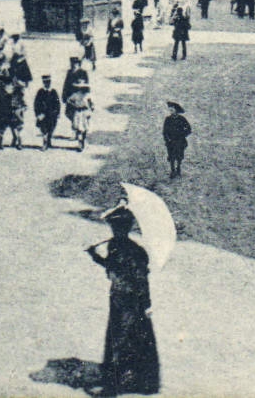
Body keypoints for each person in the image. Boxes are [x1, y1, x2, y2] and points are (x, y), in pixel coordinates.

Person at [87, 204, 161, 395]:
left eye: (118, 227)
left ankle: (113, 388)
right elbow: (111, 268)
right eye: (113, 227)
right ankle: (119, 380)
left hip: (131, 301)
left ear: (126, 228)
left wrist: (146, 304)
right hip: (117, 298)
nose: (115, 231)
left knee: (123, 339)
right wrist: (95, 257)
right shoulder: (114, 246)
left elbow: (141, 280)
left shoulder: (136, 251)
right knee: (118, 337)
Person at [163, 101, 192, 178]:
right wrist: (167, 139)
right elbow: (164, 131)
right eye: (170, 110)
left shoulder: (182, 119)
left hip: (180, 141)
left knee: (179, 155)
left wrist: (183, 135)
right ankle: (172, 170)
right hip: (171, 141)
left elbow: (189, 129)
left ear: (176, 110)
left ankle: (178, 168)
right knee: (171, 156)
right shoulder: (168, 119)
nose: (171, 111)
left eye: (172, 110)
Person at [33, 75, 62, 151]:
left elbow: (57, 103)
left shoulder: (53, 92)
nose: (47, 83)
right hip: (43, 114)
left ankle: (49, 140)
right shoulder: (40, 92)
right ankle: (44, 143)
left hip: (52, 114)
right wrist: (38, 114)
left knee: (51, 128)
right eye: (45, 82)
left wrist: (58, 112)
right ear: (43, 83)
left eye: (48, 82)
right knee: (44, 129)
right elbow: (36, 103)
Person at [66, 83, 94, 151]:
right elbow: (68, 100)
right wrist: (74, 105)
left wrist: (91, 108)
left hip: (85, 112)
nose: (82, 89)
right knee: (79, 129)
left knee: (84, 129)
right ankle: (80, 144)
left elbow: (91, 103)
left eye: (83, 87)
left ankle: (83, 141)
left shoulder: (87, 95)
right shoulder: (76, 94)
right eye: (81, 87)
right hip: (78, 112)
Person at [7, 77, 27, 150]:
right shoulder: (12, 94)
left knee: (18, 128)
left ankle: (19, 142)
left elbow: (24, 105)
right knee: (12, 126)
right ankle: (15, 139)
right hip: (13, 111)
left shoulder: (19, 95)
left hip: (18, 112)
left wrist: (23, 108)